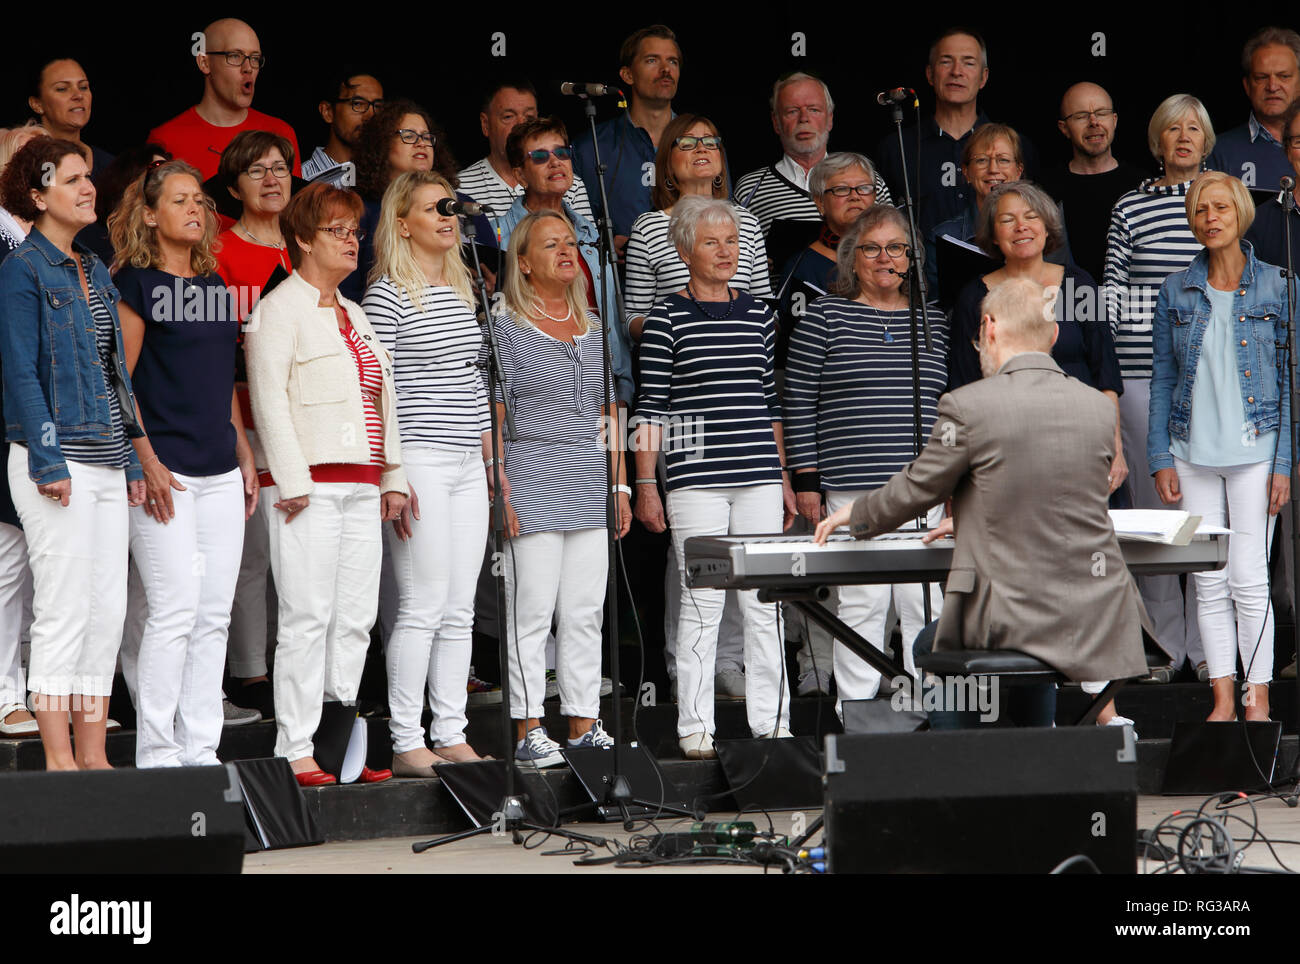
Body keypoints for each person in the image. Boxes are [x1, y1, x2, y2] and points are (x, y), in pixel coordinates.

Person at [814, 277, 1149, 726]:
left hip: (1003, 617)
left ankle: (958, 763)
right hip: (1090, 615)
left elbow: (919, 489)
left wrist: (856, 511)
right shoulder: (1097, 407)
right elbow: (1059, 494)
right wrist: (982, 514)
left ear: (988, 328)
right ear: (1052, 336)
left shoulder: (967, 405)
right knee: (1033, 651)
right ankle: (1035, 748)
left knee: (931, 645)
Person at [243, 182, 405, 786]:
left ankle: (339, 744)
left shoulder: (355, 311)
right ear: (303, 239)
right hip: (307, 486)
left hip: (362, 485)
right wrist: (289, 479)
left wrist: (393, 475)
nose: (351, 240)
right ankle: (296, 744)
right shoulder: (277, 309)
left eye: (354, 231)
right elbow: (268, 403)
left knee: (355, 617)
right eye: (337, 230)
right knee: (307, 614)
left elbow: (383, 403)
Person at [0, 137, 147, 769]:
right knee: (61, 608)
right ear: (37, 195)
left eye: (90, 176)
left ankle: (95, 759)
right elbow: (20, 373)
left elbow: (117, 375)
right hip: (55, 457)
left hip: (109, 458)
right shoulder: (21, 267)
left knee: (105, 608)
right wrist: (49, 458)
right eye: (73, 179)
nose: (89, 187)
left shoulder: (91, 265)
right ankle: (59, 760)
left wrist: (136, 459)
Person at [107, 159, 258, 767]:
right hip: (165, 470)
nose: (196, 209)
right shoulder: (135, 284)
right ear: (149, 214)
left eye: (200, 200)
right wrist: (144, 460)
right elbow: (121, 381)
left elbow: (222, 379)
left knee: (213, 614)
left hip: (220, 468)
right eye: (179, 201)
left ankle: (202, 750)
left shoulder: (215, 285)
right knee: (172, 610)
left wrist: (244, 449)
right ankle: (158, 754)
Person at [633, 196, 796, 759]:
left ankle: (773, 724)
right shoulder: (665, 317)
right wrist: (646, 484)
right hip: (694, 479)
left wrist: (784, 477)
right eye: (712, 241)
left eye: (733, 241)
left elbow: (769, 400)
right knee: (702, 601)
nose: (726, 251)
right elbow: (649, 409)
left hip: (757, 474)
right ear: (684, 250)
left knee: (762, 601)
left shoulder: (760, 312)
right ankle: (694, 727)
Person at [784, 205, 948, 712]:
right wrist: (806, 480)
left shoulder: (934, 322)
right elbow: (796, 401)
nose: (885, 258)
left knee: (926, 601)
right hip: (852, 486)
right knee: (863, 601)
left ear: (911, 259)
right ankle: (855, 710)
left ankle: (933, 708)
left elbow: (954, 408)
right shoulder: (824, 318)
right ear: (852, 259)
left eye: (896, 247)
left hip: (924, 487)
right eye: (872, 248)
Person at [362, 171, 492, 773]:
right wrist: (394, 467)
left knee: (459, 606)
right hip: (421, 459)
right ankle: (407, 738)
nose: (447, 216)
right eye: (433, 208)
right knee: (421, 603)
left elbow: (474, 381)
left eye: (451, 207)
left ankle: (450, 729)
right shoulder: (389, 293)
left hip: (468, 460)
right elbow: (377, 386)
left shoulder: (467, 288)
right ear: (402, 221)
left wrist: (490, 460)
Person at [1149, 172, 1291, 722]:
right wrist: (1160, 454)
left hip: (1258, 449)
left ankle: (1258, 701)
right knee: (1207, 582)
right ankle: (1223, 700)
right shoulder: (1174, 288)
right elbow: (1162, 377)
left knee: (1249, 577)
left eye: (1220, 209)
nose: (1209, 218)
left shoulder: (1280, 286)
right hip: (1191, 450)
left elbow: (1291, 378)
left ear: (1239, 214)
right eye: (1199, 210)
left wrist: (1283, 464)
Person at [493, 210, 630, 766]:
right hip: (530, 484)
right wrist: (498, 488)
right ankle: (528, 728)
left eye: (572, 243)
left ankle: (582, 723)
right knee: (530, 612)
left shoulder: (594, 329)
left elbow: (608, 412)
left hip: (589, 486)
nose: (567, 252)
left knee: (584, 611)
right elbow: (495, 414)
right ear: (523, 263)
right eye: (552, 245)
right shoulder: (502, 326)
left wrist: (620, 485)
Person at [1104, 93, 1216, 683]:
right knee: (1154, 516)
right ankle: (1166, 649)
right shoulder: (1132, 205)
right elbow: (1113, 290)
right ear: (1156, 139)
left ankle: (1207, 650)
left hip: (1214, 377)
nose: (1183, 137)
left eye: (1193, 128)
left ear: (1207, 139)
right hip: (1143, 372)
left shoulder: (1221, 200)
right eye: (1172, 128)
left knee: (1204, 514)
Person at [211, 130, 296, 720]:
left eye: (280, 168)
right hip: (245, 411)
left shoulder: (306, 243)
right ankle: (249, 674)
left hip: (306, 416)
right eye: (257, 171)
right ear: (234, 186)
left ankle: (293, 668)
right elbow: (212, 348)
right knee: (253, 550)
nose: (272, 179)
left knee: (297, 548)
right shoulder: (217, 250)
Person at [948, 183, 1124, 425]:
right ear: (994, 235)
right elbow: (963, 384)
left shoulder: (1078, 284)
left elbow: (1106, 372)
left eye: (1031, 216)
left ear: (1047, 227)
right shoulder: (974, 297)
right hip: (1005, 436)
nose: (1021, 227)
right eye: (1008, 220)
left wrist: (1115, 449)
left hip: (1082, 429)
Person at [496, 116, 634, 404]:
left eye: (561, 153)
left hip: (604, 379)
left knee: (613, 451)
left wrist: (621, 385)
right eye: (540, 157)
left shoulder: (590, 230)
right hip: (540, 386)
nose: (556, 162)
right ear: (520, 175)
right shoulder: (500, 236)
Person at [876, 28, 1035, 243]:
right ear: (930, 74)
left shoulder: (1016, 146)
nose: (956, 72)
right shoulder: (897, 146)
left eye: (968, 63)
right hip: (920, 273)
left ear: (983, 76)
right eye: (946, 61)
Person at [625, 114, 772, 342]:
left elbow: (763, 303)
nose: (701, 148)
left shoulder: (748, 222)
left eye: (710, 141)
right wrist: (680, 332)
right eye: (687, 143)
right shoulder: (648, 227)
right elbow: (633, 316)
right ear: (668, 163)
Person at [733, 72, 891, 245]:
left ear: (829, 119)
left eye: (814, 110)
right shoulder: (750, 188)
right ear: (776, 122)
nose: (804, 119)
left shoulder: (867, 181)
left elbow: (893, 241)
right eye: (792, 111)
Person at [0, 127, 42, 738]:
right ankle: (6, 695)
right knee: (9, 564)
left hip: (54, 422)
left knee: (47, 566)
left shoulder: (70, 247)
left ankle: (41, 692)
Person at [147, 18, 300, 181]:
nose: (248, 68)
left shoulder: (280, 132)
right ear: (204, 63)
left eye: (255, 58)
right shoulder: (166, 139)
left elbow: (298, 206)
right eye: (235, 56)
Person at [572, 24, 681, 251]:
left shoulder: (702, 142)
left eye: (673, 61)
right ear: (627, 74)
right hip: (617, 282)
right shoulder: (589, 146)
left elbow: (722, 208)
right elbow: (568, 224)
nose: (665, 69)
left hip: (690, 281)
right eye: (652, 60)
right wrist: (603, 243)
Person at [1039, 82, 1145, 283]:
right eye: (1080, 116)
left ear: (1114, 120)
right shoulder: (1044, 190)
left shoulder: (1142, 186)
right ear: (1064, 128)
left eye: (1102, 113)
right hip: (1066, 307)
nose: (1094, 122)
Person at [458, 80, 592, 221]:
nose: (521, 125)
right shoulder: (461, 187)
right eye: (508, 117)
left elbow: (588, 240)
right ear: (485, 124)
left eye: (529, 118)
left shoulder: (569, 183)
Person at [1208, 27, 1300, 189]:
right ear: (1247, 86)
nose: (1272, 86)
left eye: (1283, 76)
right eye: (1261, 77)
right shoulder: (1219, 151)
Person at [28, 57, 112, 179]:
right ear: (37, 104)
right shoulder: (22, 163)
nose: (78, 95)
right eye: (62, 89)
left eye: (83, 87)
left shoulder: (110, 166)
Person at [302, 68, 384, 188]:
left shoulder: (388, 179)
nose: (370, 115)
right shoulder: (300, 179)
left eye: (378, 106)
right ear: (328, 112)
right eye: (357, 104)